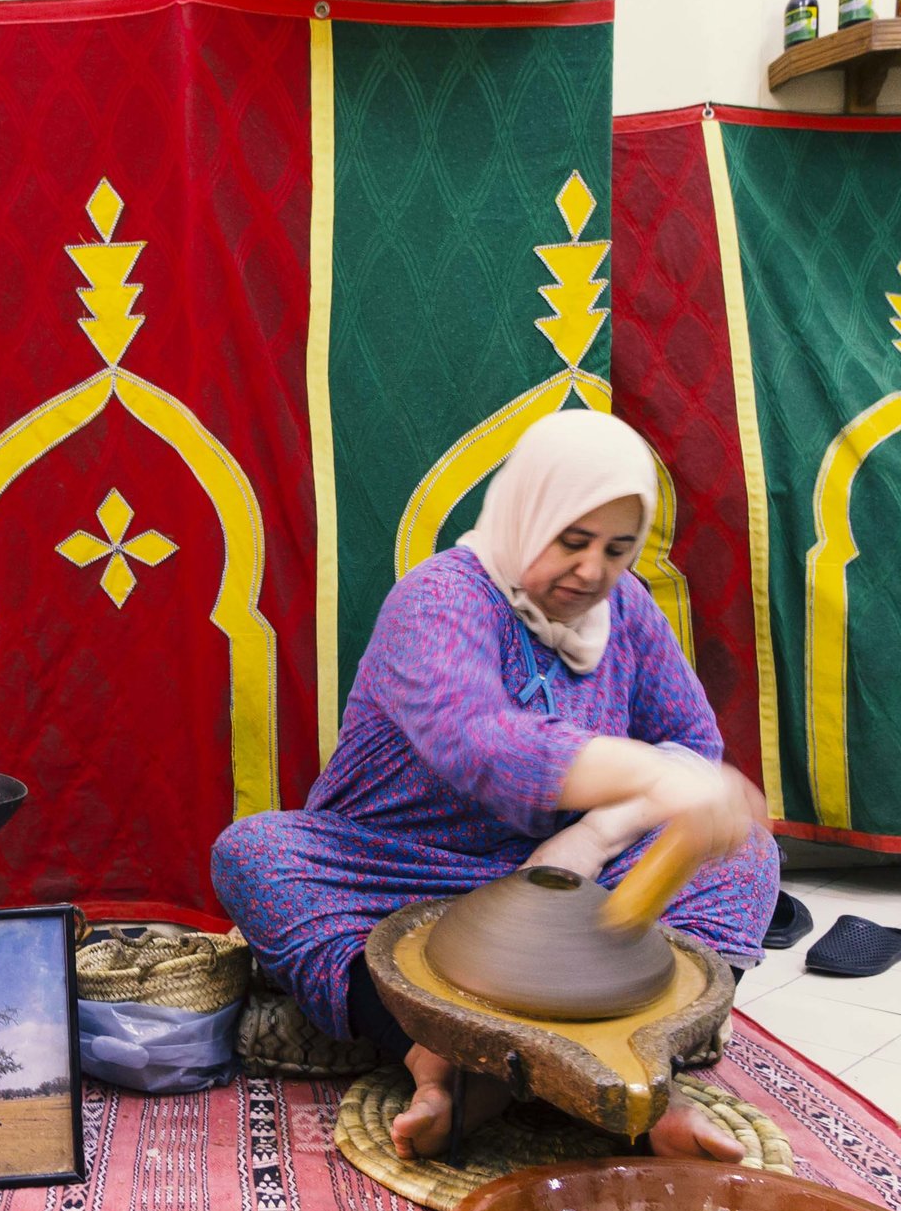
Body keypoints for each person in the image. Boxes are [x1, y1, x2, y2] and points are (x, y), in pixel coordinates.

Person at [213, 411, 776, 1162]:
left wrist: (593, 839)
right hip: (401, 874)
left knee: (743, 852)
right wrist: (655, 776)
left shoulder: (627, 611)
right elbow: (477, 740)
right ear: (525, 511)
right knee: (255, 852)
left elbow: (693, 744)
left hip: (571, 891)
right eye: (572, 540)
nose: (592, 571)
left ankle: (642, 1071)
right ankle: (434, 1059)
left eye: (617, 549)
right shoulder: (440, 598)